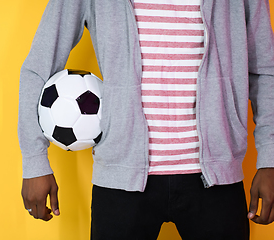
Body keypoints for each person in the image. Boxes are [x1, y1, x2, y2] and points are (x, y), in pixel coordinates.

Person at [18, 0, 274, 239]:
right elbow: (38, 68)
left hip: (218, 177)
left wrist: (270, 158)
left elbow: (265, 71)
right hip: (121, 179)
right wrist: (34, 161)